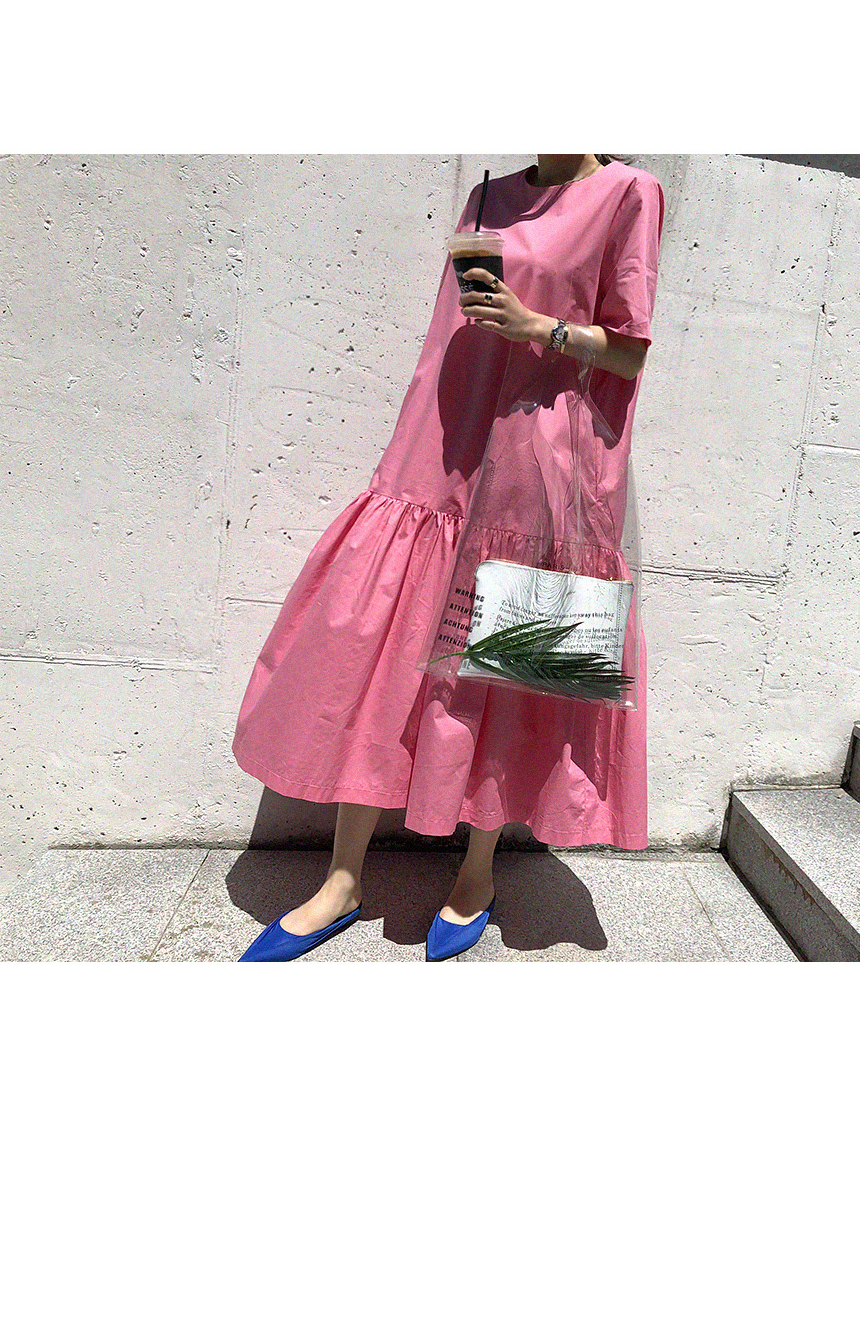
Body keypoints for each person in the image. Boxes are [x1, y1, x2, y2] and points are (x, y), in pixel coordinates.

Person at [232, 156, 663, 963]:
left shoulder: (628, 193)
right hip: (444, 435)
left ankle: (477, 871)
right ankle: (343, 878)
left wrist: (537, 327)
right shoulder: (489, 193)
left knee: (502, 666)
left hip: (543, 450)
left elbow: (630, 352)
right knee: (379, 650)